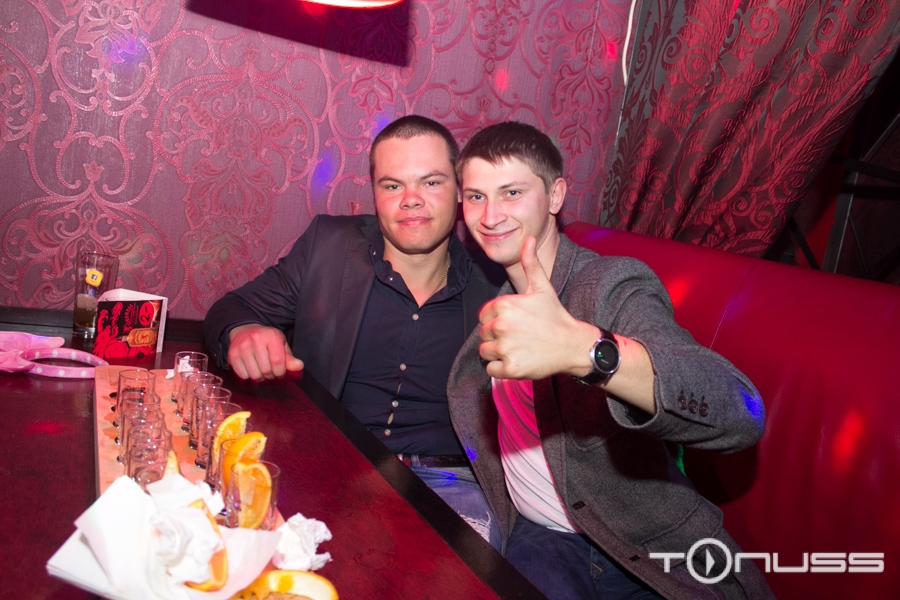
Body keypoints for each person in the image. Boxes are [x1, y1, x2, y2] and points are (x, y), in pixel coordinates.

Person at [448, 121, 773, 599]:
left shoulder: (609, 285)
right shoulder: (495, 307)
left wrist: (587, 352)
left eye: (511, 192)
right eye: (475, 197)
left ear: (555, 196)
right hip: (543, 542)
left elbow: (739, 413)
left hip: (643, 547)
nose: (490, 215)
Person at [203, 115, 504, 549]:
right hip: (331, 459)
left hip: (451, 483)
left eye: (430, 182)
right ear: (374, 193)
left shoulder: (497, 278)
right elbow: (230, 308)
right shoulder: (328, 246)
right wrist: (243, 330)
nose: (411, 200)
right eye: (393, 185)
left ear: (459, 190)